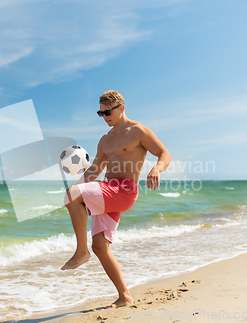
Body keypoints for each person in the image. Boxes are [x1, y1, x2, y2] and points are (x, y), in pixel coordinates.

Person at [62, 90, 171, 308]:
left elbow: (164, 153)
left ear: (121, 107)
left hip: (125, 191)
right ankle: (125, 296)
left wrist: (156, 169)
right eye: (100, 113)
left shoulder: (138, 131)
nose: (104, 117)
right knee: (100, 246)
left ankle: (80, 251)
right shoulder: (104, 140)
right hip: (107, 190)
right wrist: (75, 188)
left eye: (108, 112)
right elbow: (94, 170)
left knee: (73, 197)